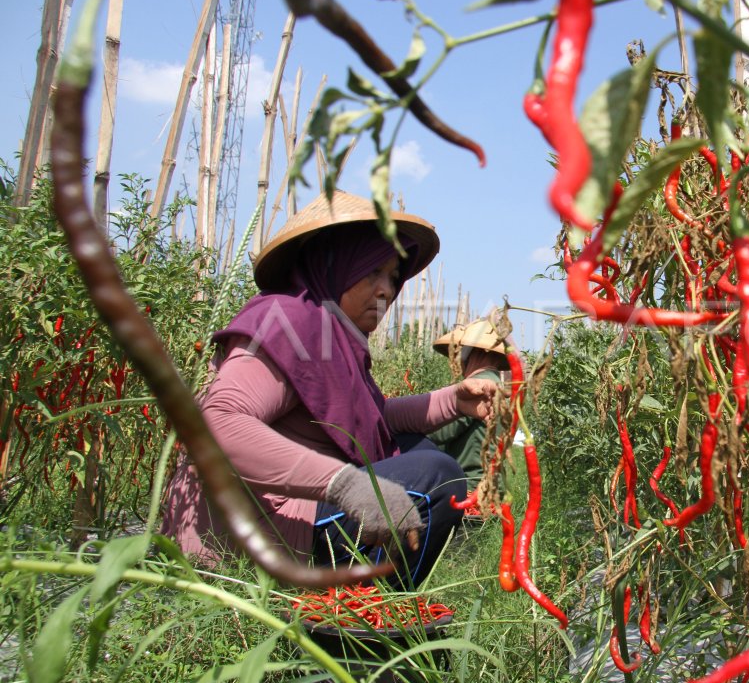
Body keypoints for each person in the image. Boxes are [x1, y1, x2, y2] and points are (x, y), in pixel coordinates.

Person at [160, 191, 496, 585]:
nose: (387, 290)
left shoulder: (331, 336)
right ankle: (364, 623)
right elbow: (217, 426)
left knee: (414, 448)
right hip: (254, 531)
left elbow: (370, 417)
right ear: (334, 264)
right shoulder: (285, 321)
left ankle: (364, 606)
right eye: (373, 272)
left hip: (294, 514)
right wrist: (345, 485)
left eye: (392, 277)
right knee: (438, 476)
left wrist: (453, 399)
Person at [428, 318, 511, 488]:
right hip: (491, 489)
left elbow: (435, 433)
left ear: (472, 352)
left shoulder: (477, 388)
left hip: (470, 490)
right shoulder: (496, 386)